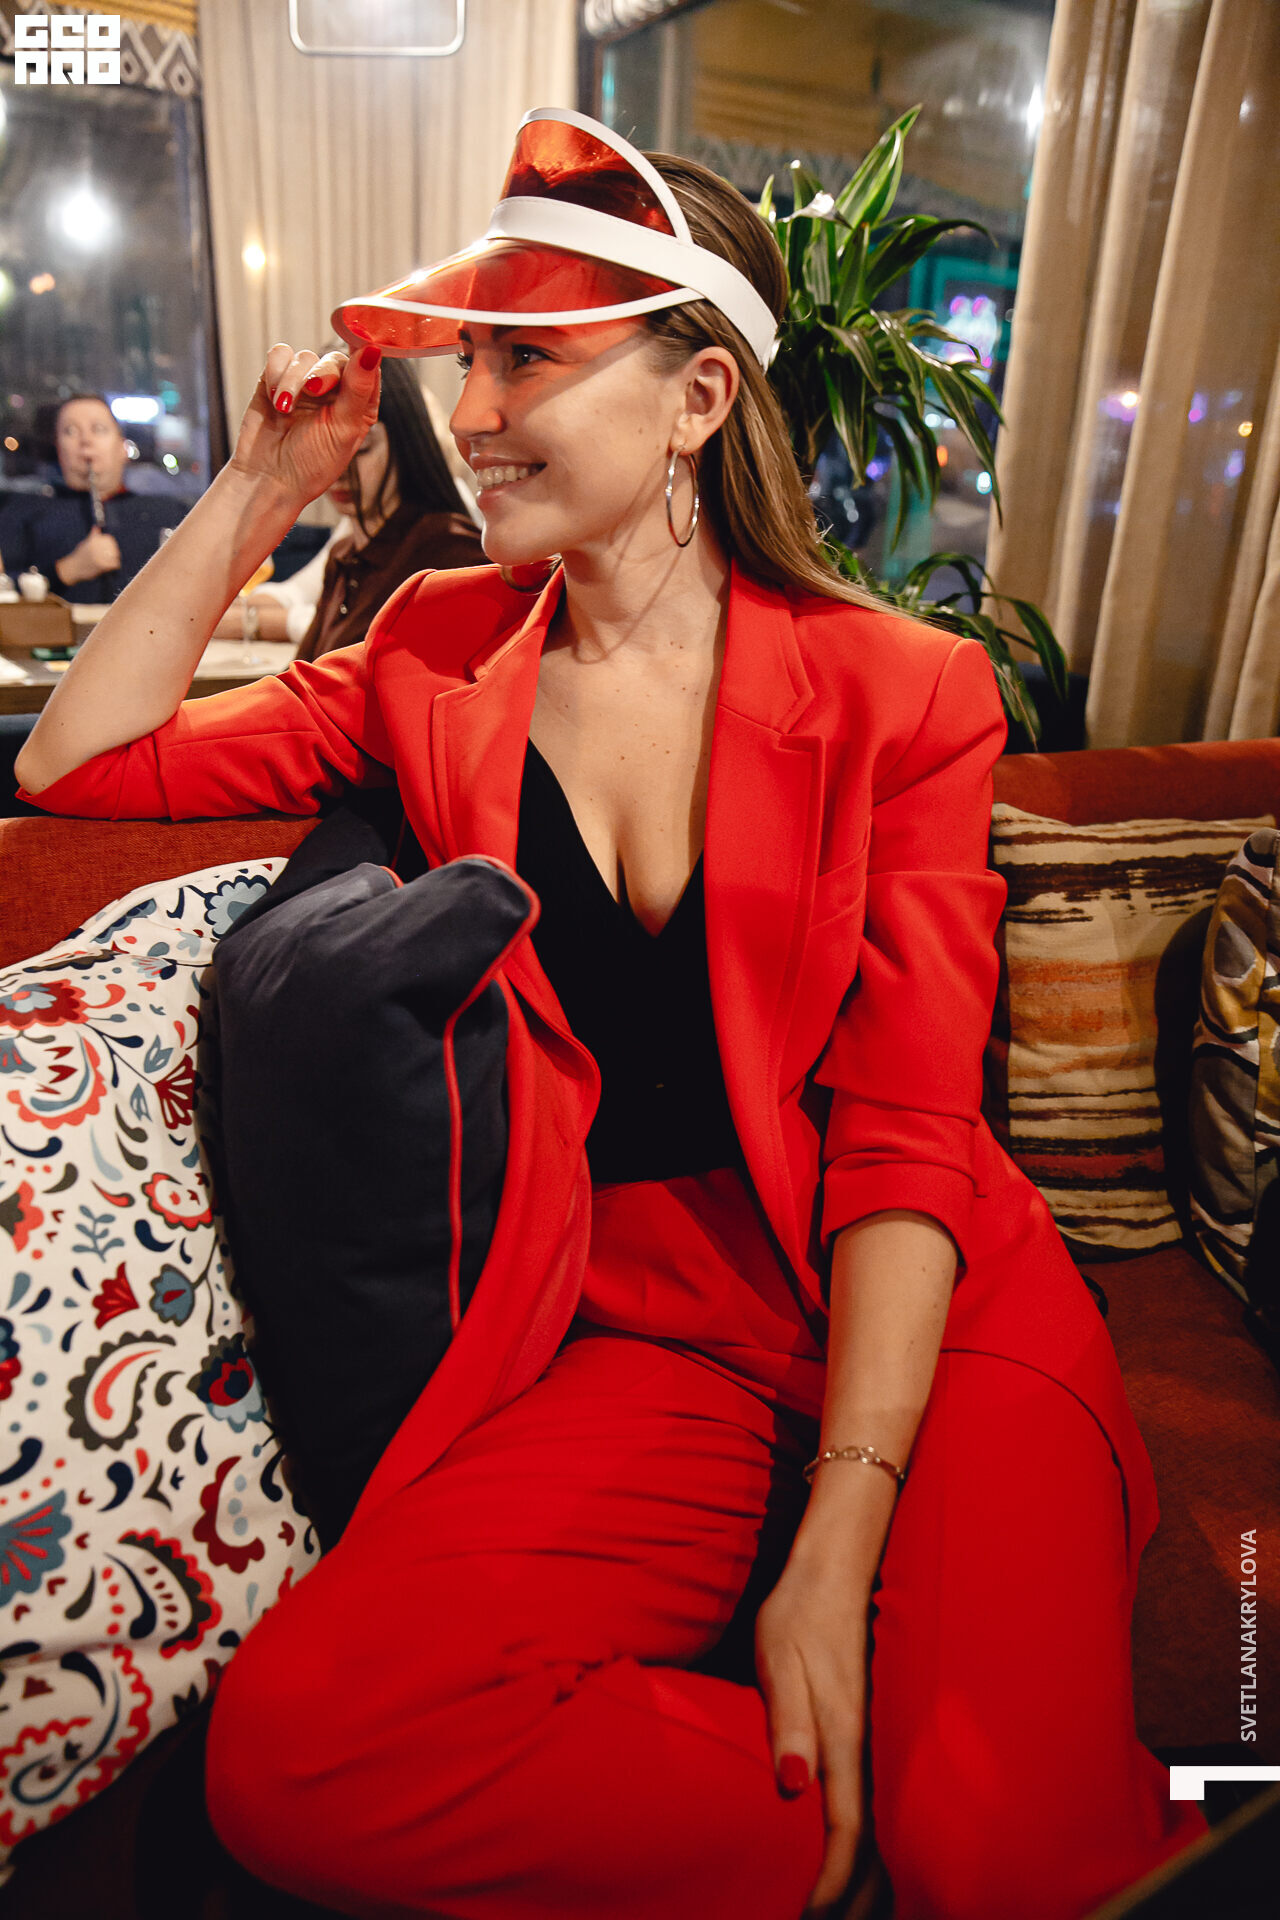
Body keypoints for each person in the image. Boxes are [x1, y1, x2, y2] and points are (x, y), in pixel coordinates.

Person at [15, 110, 1206, 1920]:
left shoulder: (906, 692)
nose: (475, 408)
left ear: (699, 398)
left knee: (999, 1835)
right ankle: (889, 1851)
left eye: (532, 361)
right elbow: (77, 763)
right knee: (300, 1753)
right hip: (651, 1346)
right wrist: (263, 483)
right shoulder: (430, 653)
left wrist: (842, 1533)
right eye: (472, 360)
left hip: (931, 1310)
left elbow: (906, 1133)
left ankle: (988, 1828)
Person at [213, 356, 483, 653]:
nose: (339, 470)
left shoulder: (450, 552)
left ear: (406, 444)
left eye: (362, 448)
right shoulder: (346, 552)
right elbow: (307, 669)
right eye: (325, 445)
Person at [0, 393, 181, 602]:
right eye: (70, 431)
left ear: (123, 448)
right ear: (59, 449)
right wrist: (66, 570)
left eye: (98, 429)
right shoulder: (22, 513)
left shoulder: (169, 513)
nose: (85, 441)